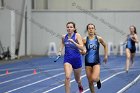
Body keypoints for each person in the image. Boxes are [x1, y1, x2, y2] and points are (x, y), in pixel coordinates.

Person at [58, 22, 84, 93]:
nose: (69, 28)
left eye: (71, 27)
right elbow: (63, 43)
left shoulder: (77, 35)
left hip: (77, 59)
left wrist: (74, 42)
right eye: (68, 27)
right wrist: (60, 51)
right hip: (67, 59)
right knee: (67, 77)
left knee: (77, 79)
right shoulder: (64, 36)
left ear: (74, 28)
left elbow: (82, 48)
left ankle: (79, 84)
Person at [82, 23, 108, 93]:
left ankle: (98, 80)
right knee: (90, 81)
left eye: (92, 28)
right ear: (87, 30)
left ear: (94, 29)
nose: (91, 29)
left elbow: (105, 45)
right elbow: (81, 49)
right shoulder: (84, 39)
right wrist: (82, 52)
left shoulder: (98, 38)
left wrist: (105, 55)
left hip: (96, 62)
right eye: (89, 28)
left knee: (94, 78)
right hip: (87, 62)